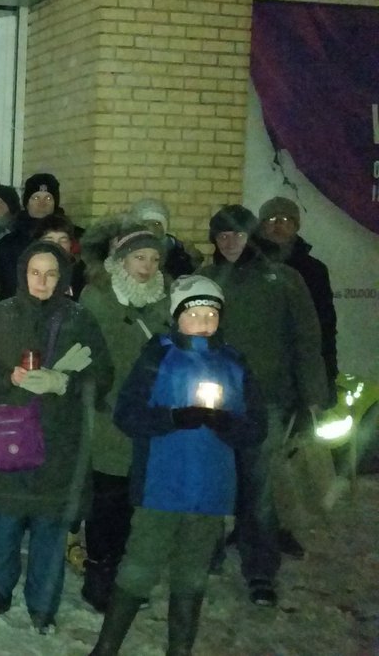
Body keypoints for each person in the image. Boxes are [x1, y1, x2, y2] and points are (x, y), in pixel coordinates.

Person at [90, 275, 266, 656]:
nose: (203, 320)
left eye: (211, 313)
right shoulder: (158, 357)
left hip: (210, 492)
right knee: (139, 567)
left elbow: (255, 428)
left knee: (191, 574)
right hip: (161, 487)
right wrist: (173, 418)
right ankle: (106, 647)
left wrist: (227, 424)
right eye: (194, 313)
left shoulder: (234, 363)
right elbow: (128, 415)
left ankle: (180, 649)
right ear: (176, 317)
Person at [0, 240, 112, 634]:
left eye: (51, 273)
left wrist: (67, 382)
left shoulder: (81, 320)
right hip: (8, 442)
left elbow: (103, 375)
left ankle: (43, 605)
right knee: (1, 525)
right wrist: (7, 379)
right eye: (34, 272)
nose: (42, 281)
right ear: (22, 274)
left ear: (62, 278)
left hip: (59, 445)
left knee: (50, 528)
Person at [199, 204, 330, 606]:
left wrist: (314, 396)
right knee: (213, 483)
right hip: (216, 400)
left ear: (252, 236)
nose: (231, 243)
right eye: (222, 236)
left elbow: (307, 340)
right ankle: (207, 554)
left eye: (238, 234)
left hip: (267, 400)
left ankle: (260, 570)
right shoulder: (205, 280)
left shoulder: (284, 280)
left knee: (259, 491)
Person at [76, 219, 170, 612]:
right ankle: (99, 573)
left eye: (152, 258)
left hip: (150, 416)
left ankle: (127, 576)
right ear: (121, 258)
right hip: (108, 413)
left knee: (138, 501)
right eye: (138, 257)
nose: (146, 266)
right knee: (107, 501)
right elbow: (83, 349)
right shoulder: (97, 297)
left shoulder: (166, 300)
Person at [258, 196, 337, 394]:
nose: (277, 226)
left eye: (284, 220)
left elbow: (325, 324)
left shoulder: (314, 271)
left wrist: (327, 373)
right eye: (271, 220)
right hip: (258, 370)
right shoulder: (248, 267)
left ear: (295, 226)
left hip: (299, 371)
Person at [130, 199, 202, 279]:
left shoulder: (179, 252)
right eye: (147, 223)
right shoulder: (127, 248)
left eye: (157, 223)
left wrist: (194, 260)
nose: (153, 228)